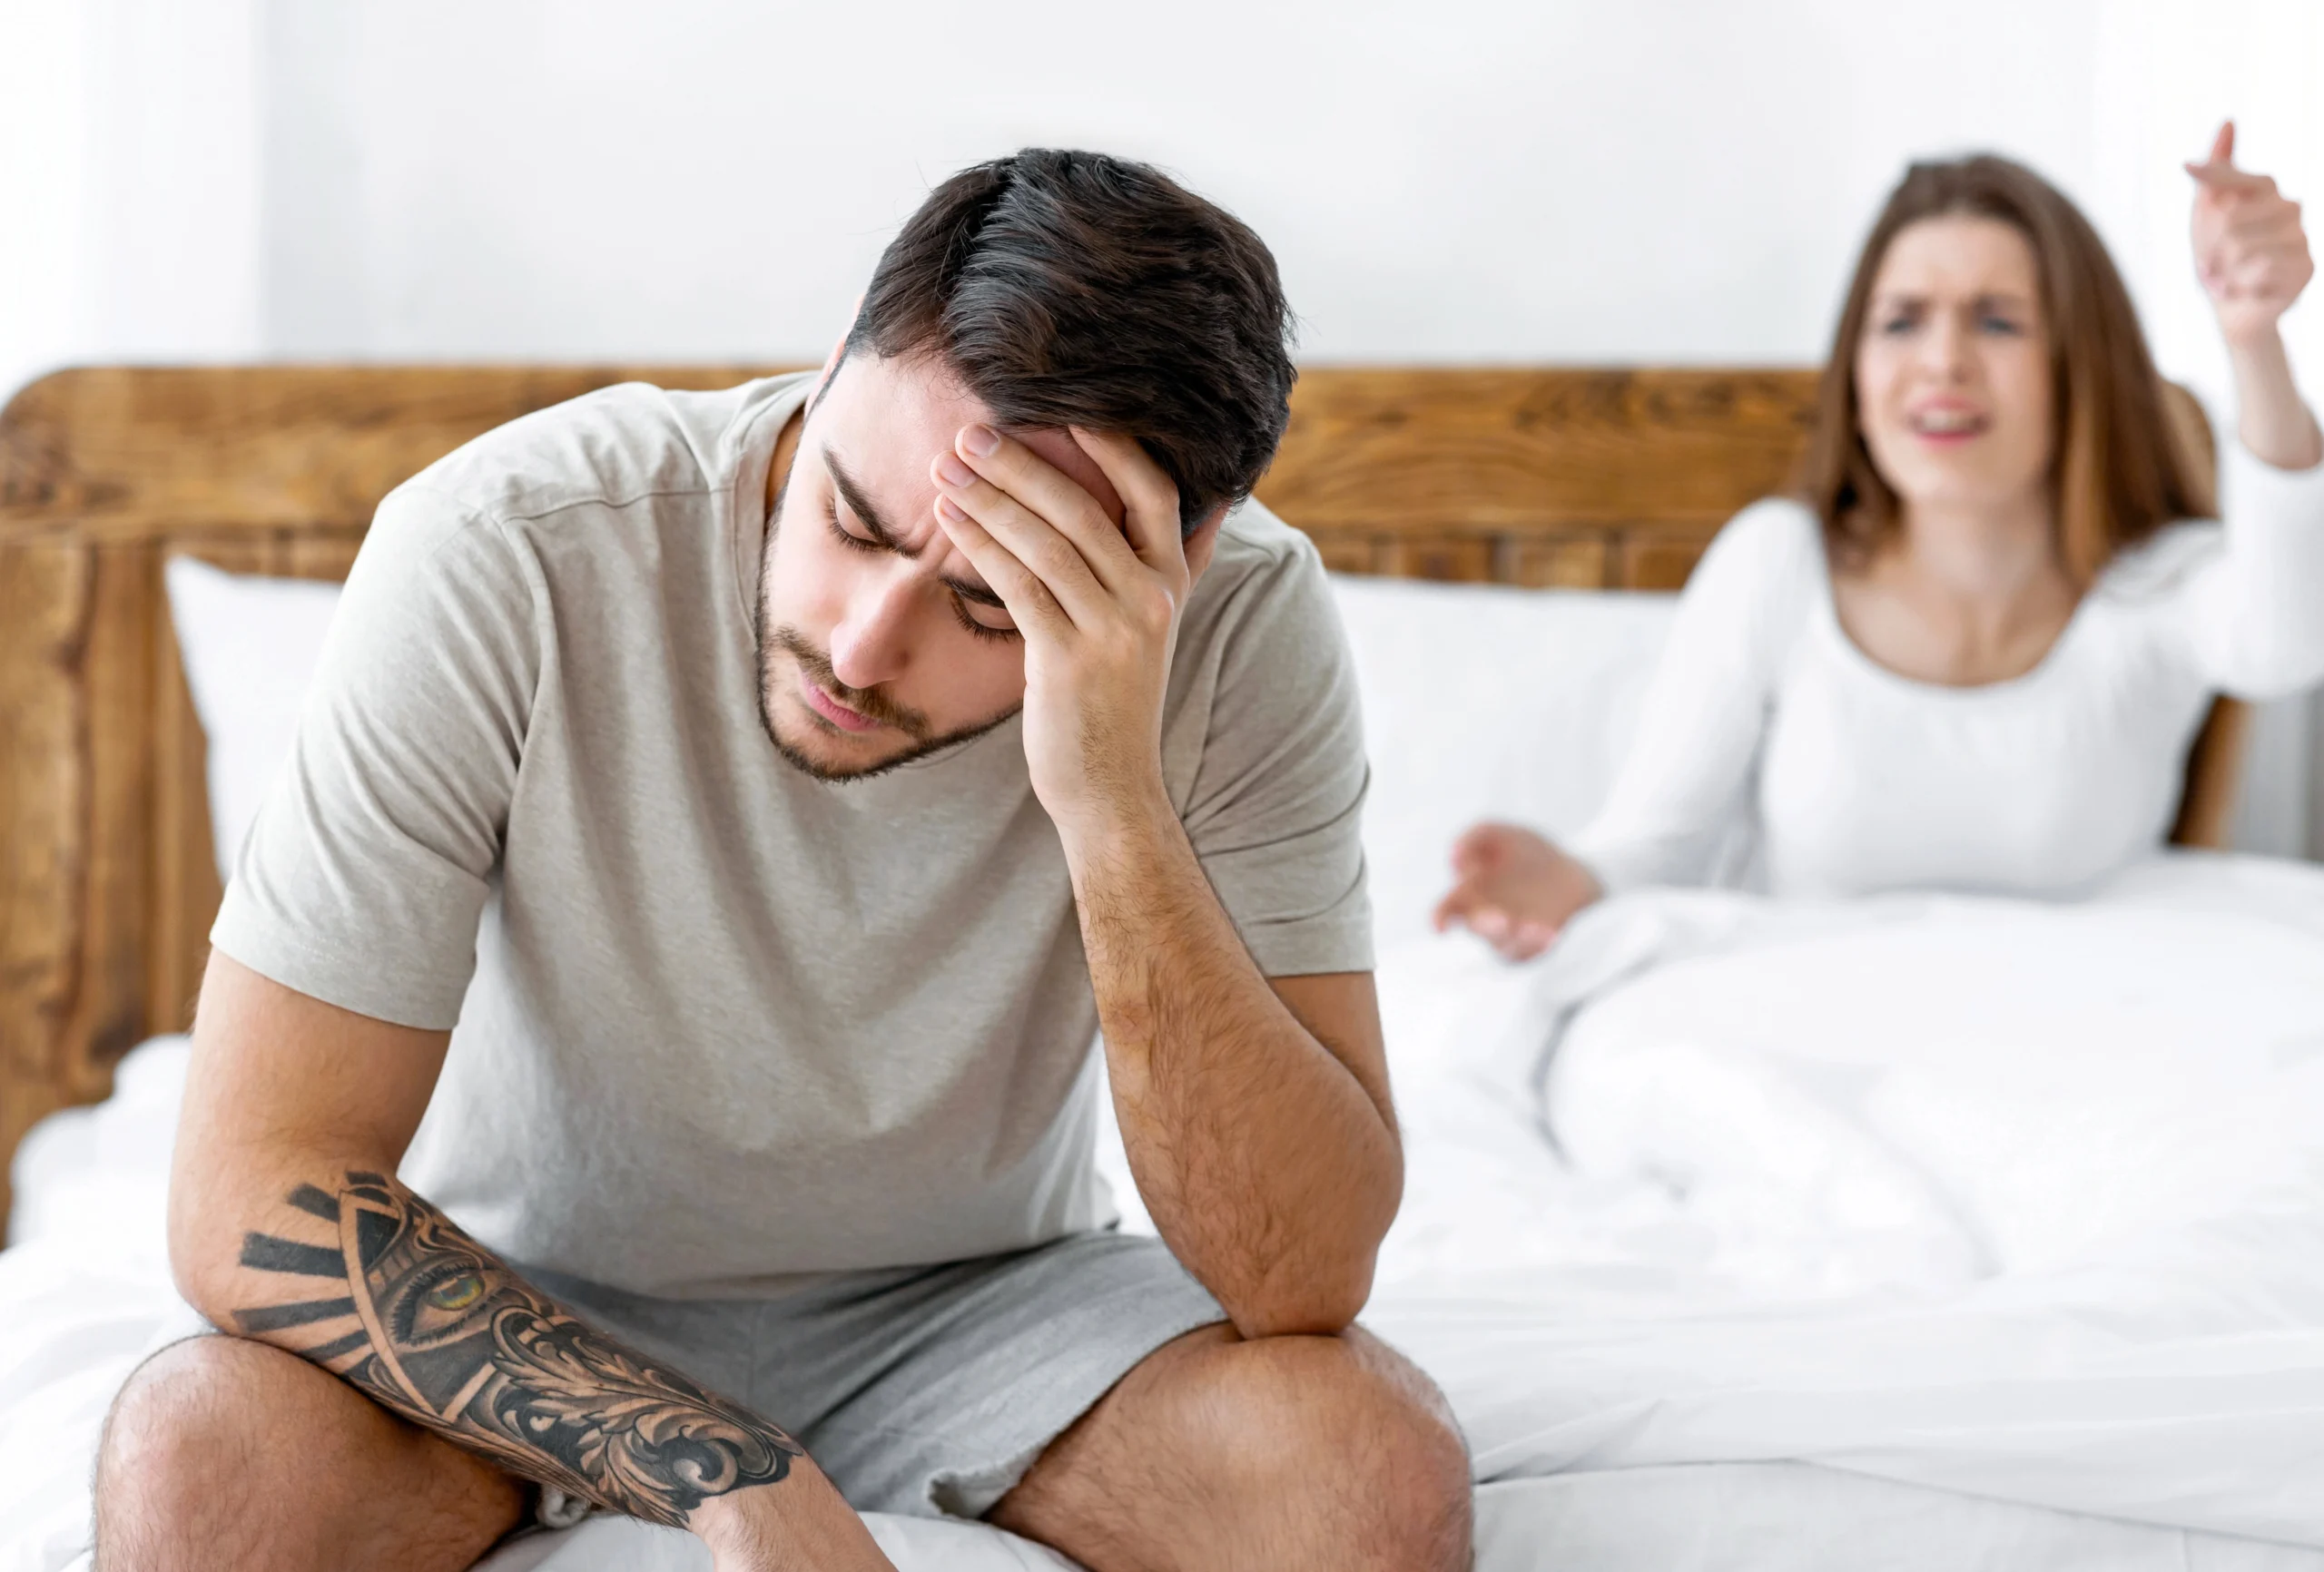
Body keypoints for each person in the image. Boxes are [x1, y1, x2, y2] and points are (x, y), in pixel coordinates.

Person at [90, 150, 1472, 1572]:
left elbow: (1299, 1276)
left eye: (994, 611)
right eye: (850, 520)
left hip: (984, 1311)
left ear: (1189, 557)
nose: (862, 645)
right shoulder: (502, 549)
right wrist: (725, 1469)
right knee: (204, 1455)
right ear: (831, 370)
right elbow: (252, 1195)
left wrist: (1111, 797)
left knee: (1361, 1469)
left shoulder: (1243, 630)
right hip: (516, 1296)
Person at [1438, 124, 2324, 960]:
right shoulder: (1778, 563)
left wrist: (2254, 341)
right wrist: (1564, 882)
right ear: (1856, 372)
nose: (1942, 360)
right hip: (1801, 1052)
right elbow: (1651, 849)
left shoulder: (2154, 586)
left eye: (1997, 321)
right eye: (1901, 320)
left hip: (2060, 1056)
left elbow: (2287, 642)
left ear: (2080, 365)